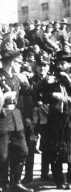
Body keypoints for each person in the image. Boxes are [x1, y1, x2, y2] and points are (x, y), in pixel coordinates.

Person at [41, 51, 71, 189]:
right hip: (55, 118)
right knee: (54, 149)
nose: (60, 66)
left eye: (63, 63)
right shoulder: (50, 79)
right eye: (58, 63)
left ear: (69, 64)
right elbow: (42, 96)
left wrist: (68, 80)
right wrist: (53, 94)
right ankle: (59, 179)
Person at [0, 50, 33, 192]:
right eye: (18, 62)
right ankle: (3, 183)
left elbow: (30, 91)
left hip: (16, 118)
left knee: (22, 150)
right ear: (11, 62)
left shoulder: (16, 77)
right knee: (2, 154)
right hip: (2, 118)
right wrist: (5, 96)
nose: (20, 64)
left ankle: (16, 182)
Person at [28, 56, 51, 181]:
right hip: (33, 116)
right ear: (35, 67)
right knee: (31, 144)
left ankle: (44, 172)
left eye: (45, 65)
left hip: (47, 115)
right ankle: (28, 175)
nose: (42, 68)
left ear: (48, 67)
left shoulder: (52, 80)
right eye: (40, 65)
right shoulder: (30, 80)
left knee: (46, 145)